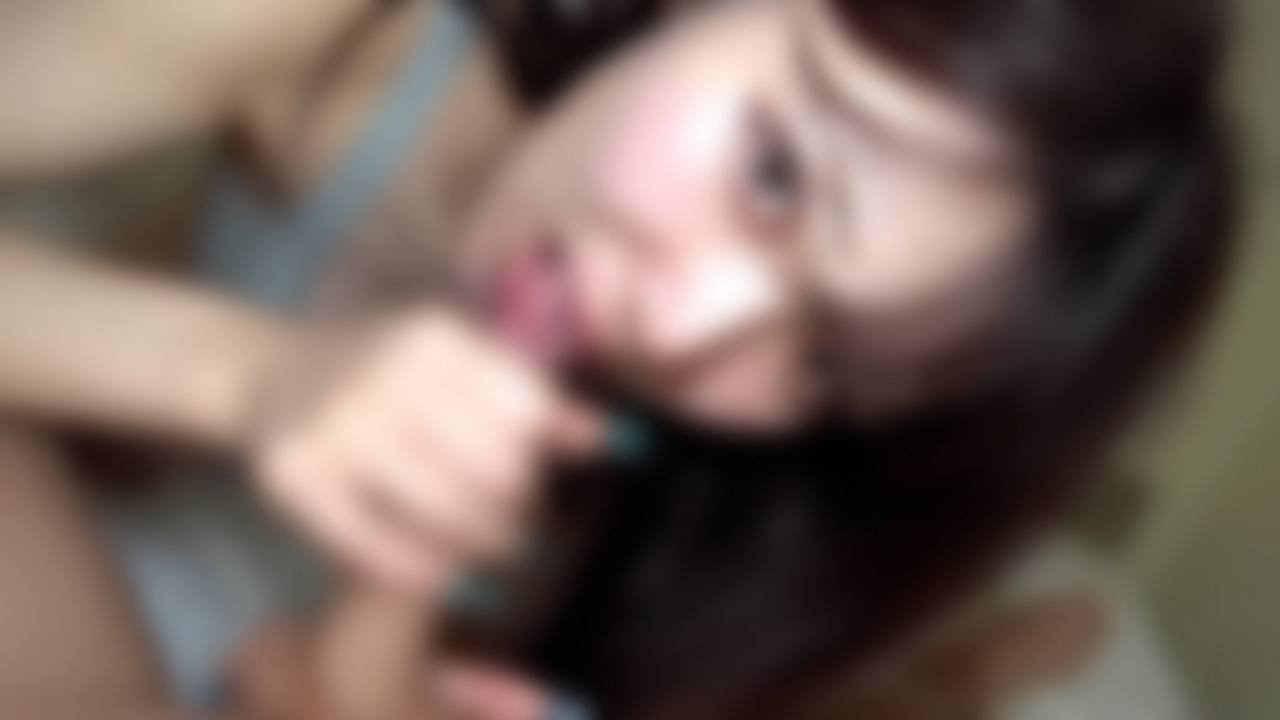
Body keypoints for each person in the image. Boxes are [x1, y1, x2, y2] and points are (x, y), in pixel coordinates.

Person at [0, 0, 1234, 717]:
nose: (682, 334)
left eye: (824, 368)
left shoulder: (687, 498)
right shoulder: (335, 38)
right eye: (773, 175)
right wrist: (245, 373)